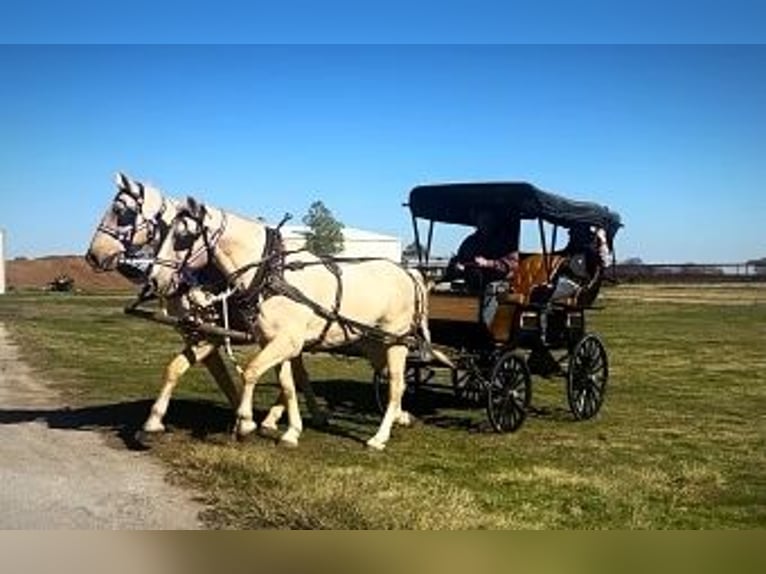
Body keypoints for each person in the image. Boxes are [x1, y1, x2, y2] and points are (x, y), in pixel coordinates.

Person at [445, 208, 520, 289]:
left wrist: (488, 263)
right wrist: (455, 267)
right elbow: (458, 261)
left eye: (488, 220)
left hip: (500, 289)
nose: (485, 223)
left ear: (495, 221)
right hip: (469, 288)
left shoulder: (506, 241)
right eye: (482, 220)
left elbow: (512, 265)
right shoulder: (469, 242)